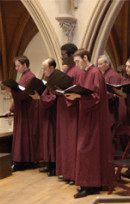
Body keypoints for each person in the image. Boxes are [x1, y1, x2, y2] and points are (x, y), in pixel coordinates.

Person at [65, 48, 113, 198]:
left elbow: (96, 97)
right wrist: (73, 95)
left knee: (87, 150)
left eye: (78, 61)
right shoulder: (84, 73)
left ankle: (90, 184)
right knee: (84, 150)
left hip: (94, 119)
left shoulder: (95, 73)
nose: (77, 65)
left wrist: (78, 97)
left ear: (85, 58)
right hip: (86, 117)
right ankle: (87, 183)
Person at [55, 43, 85, 185]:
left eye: (63, 55)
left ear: (72, 56)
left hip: (72, 112)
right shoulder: (68, 71)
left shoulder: (77, 71)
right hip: (64, 111)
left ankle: (73, 173)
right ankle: (66, 172)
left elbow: (79, 91)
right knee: (65, 142)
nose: (62, 59)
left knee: (72, 143)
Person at [3, 56, 39, 171]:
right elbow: (19, 95)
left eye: (18, 66)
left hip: (27, 112)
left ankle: (24, 161)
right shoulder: (24, 76)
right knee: (21, 136)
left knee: (24, 137)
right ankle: (23, 161)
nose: (16, 68)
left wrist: (11, 90)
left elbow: (24, 95)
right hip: (21, 111)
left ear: (25, 65)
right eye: (15, 66)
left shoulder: (30, 77)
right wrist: (11, 109)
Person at [30, 58, 58, 176]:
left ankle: (54, 166)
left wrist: (40, 98)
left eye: (44, 68)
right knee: (46, 141)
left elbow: (53, 98)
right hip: (45, 115)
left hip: (53, 115)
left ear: (52, 68)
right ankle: (48, 164)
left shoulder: (55, 80)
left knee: (51, 141)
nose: (43, 70)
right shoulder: (47, 79)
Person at [97, 55, 121, 132]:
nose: (98, 66)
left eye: (100, 64)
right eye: (98, 64)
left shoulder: (114, 75)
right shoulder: (103, 74)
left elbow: (114, 93)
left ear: (107, 63)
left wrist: (100, 93)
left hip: (111, 109)